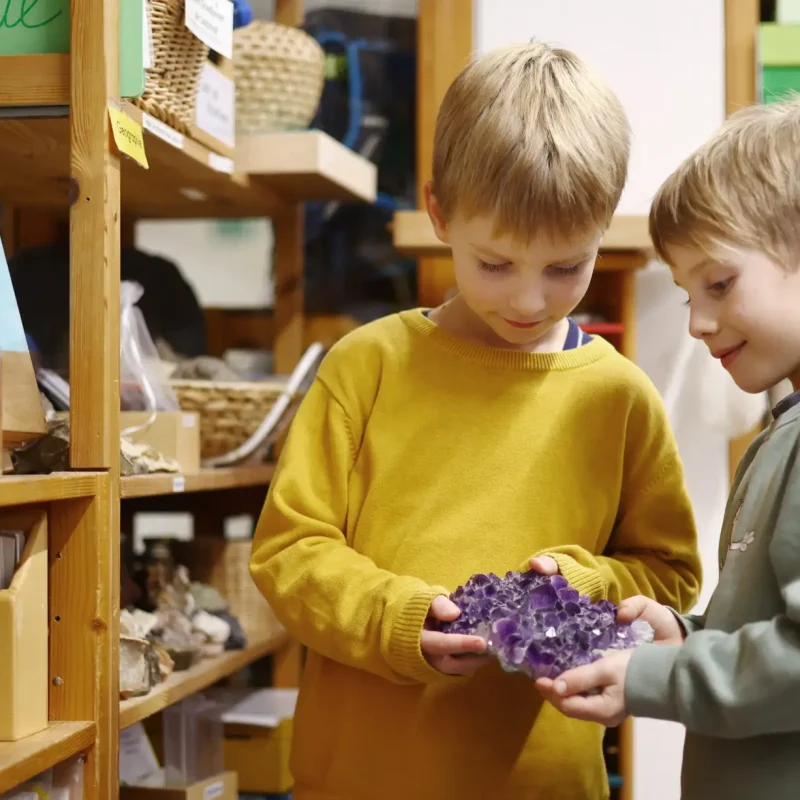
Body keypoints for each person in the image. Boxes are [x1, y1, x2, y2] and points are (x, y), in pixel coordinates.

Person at [249, 41, 702, 800]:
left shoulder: (621, 397)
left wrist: (583, 584)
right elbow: (289, 552)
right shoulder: (367, 366)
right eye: (495, 264)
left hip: (547, 785)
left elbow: (672, 574)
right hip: (360, 780)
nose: (529, 301)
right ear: (438, 214)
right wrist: (396, 617)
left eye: (567, 267)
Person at [536, 98, 800, 800]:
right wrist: (683, 634)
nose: (698, 323)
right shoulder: (780, 432)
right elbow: (765, 628)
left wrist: (654, 677)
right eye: (687, 294)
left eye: (718, 283)